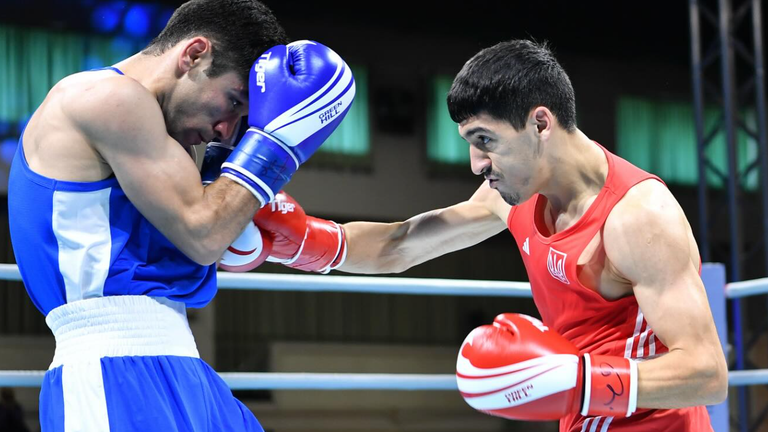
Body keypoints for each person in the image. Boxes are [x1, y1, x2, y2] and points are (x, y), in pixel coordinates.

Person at [248, 40, 728, 431]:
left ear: (540, 123)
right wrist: (307, 243)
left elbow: (707, 374)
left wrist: (580, 382)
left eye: (485, 140)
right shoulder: (514, 196)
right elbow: (402, 244)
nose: (477, 164)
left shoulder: (637, 217)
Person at [7, 0, 355, 430]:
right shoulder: (105, 97)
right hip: (111, 370)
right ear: (194, 54)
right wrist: (276, 146)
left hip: (182, 363)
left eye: (242, 119)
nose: (226, 130)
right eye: (233, 101)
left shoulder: (172, 142)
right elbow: (204, 235)